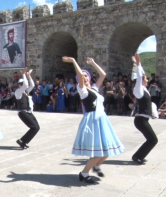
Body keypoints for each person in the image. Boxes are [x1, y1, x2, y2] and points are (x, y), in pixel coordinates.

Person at [62, 56, 124, 184]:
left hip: (101, 120)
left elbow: (103, 74)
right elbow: (79, 74)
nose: (84, 77)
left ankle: (95, 166)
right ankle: (84, 173)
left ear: (89, 78)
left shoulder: (95, 88)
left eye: (86, 75)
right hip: (92, 121)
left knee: (107, 149)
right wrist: (73, 61)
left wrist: (93, 63)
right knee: (98, 151)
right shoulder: (82, 90)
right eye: (82, 76)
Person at [131, 54, 158, 164]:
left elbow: (140, 74)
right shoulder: (139, 90)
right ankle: (138, 157)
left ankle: (137, 155)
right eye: (146, 78)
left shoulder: (144, 90)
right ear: (141, 80)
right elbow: (139, 76)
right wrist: (137, 64)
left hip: (143, 119)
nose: (147, 79)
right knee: (153, 140)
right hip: (140, 120)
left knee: (151, 139)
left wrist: (139, 64)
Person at [15, 67, 40, 149]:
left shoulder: (25, 92)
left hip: (28, 112)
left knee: (37, 127)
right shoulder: (18, 92)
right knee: (34, 127)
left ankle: (23, 141)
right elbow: (26, 85)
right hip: (23, 112)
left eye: (22, 84)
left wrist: (28, 75)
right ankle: (22, 141)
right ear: (19, 85)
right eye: (21, 84)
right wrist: (23, 74)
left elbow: (32, 85)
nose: (23, 85)